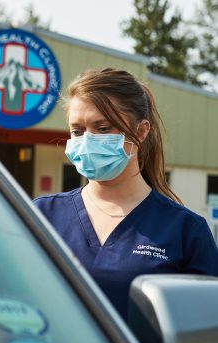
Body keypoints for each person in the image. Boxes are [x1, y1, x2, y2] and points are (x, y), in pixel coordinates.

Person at [34, 68, 218, 320]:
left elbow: (203, 336)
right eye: (77, 131)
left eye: (102, 128)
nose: (87, 141)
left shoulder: (184, 231)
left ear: (141, 131)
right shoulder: (41, 215)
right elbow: (4, 312)